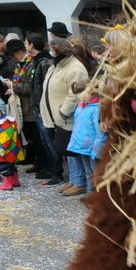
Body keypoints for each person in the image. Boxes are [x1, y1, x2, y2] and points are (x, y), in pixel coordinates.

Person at [39, 37, 88, 186]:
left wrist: (64, 111)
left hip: (66, 118)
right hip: (53, 117)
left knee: (73, 151)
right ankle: (74, 180)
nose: (50, 52)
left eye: (52, 50)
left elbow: (75, 93)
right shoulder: (55, 67)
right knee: (66, 151)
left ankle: (80, 182)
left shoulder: (75, 68)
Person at [23, 33, 55, 180]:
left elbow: (45, 86)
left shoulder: (44, 62)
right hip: (38, 106)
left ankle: (54, 171)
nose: (24, 45)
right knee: (43, 140)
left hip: (43, 107)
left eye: (26, 42)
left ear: (31, 45)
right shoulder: (37, 61)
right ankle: (48, 168)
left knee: (49, 141)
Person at [65, 87, 106, 197]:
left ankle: (99, 194)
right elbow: (77, 127)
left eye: (82, 94)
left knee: (95, 171)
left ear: (92, 94)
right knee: (88, 170)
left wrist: (97, 149)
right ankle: (90, 192)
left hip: (92, 147)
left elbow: (100, 133)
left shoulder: (96, 109)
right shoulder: (81, 106)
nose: (80, 97)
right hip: (82, 146)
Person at [0, 97, 25, 190]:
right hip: (9, 150)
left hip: (5, 150)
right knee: (11, 165)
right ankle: (15, 181)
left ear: (2, 111)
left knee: (4, 167)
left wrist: (1, 148)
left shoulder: (5, 123)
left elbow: (5, 138)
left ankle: (7, 184)